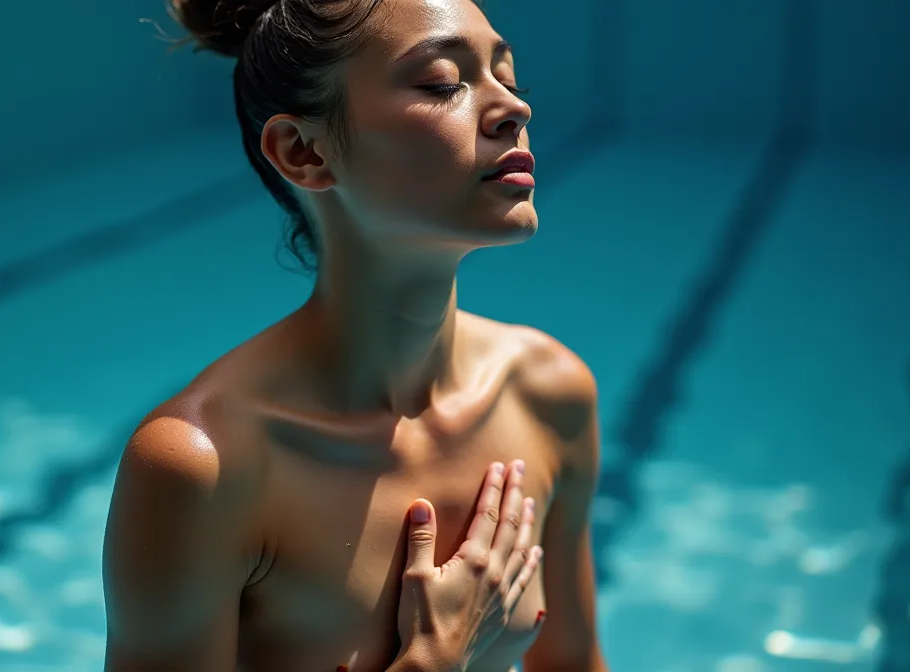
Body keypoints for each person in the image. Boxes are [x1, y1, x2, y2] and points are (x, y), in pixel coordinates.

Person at [101, 0, 609, 669]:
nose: (513, 109)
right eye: (442, 83)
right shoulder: (209, 466)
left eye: (508, 77)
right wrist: (432, 661)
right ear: (304, 151)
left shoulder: (550, 395)